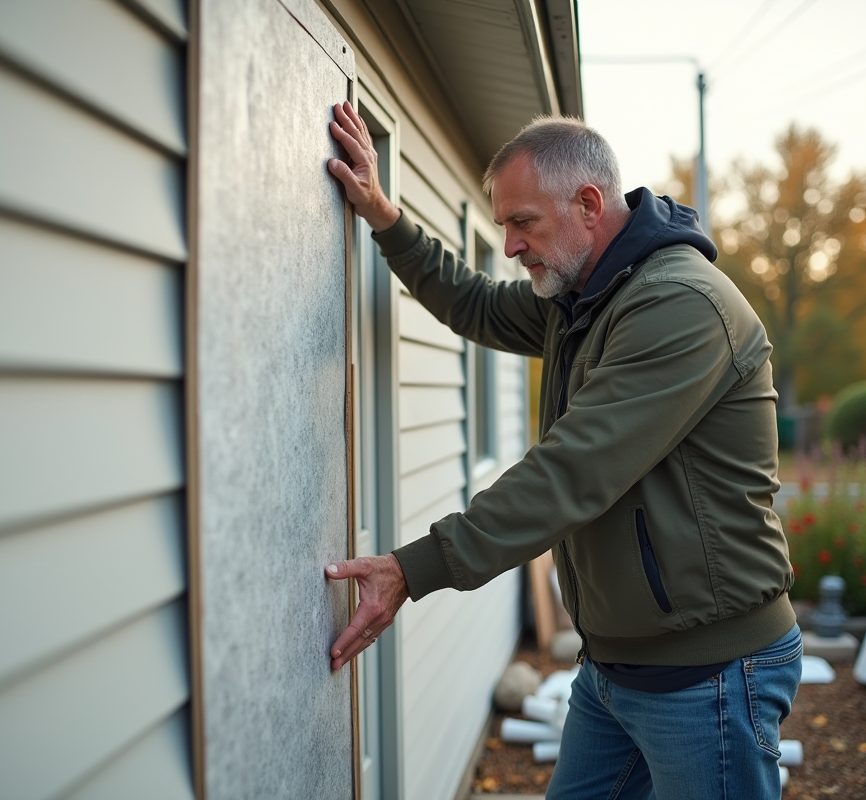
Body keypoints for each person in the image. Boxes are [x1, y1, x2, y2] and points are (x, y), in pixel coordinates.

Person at [324, 100, 801, 800]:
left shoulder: (680, 305)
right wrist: (384, 217)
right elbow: (477, 304)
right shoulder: (584, 295)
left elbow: (573, 471)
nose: (511, 245)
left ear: (588, 202)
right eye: (504, 226)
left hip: (710, 674)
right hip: (614, 668)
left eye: (523, 223)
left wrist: (413, 567)